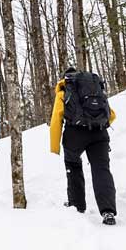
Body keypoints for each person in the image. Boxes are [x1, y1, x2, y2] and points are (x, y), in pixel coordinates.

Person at [50, 67, 118, 225]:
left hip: (75, 134)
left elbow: (56, 119)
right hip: (99, 133)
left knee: (73, 166)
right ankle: (108, 211)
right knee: (101, 170)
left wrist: (54, 147)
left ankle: (77, 205)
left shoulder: (64, 90)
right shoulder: (95, 88)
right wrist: (98, 124)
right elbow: (111, 114)